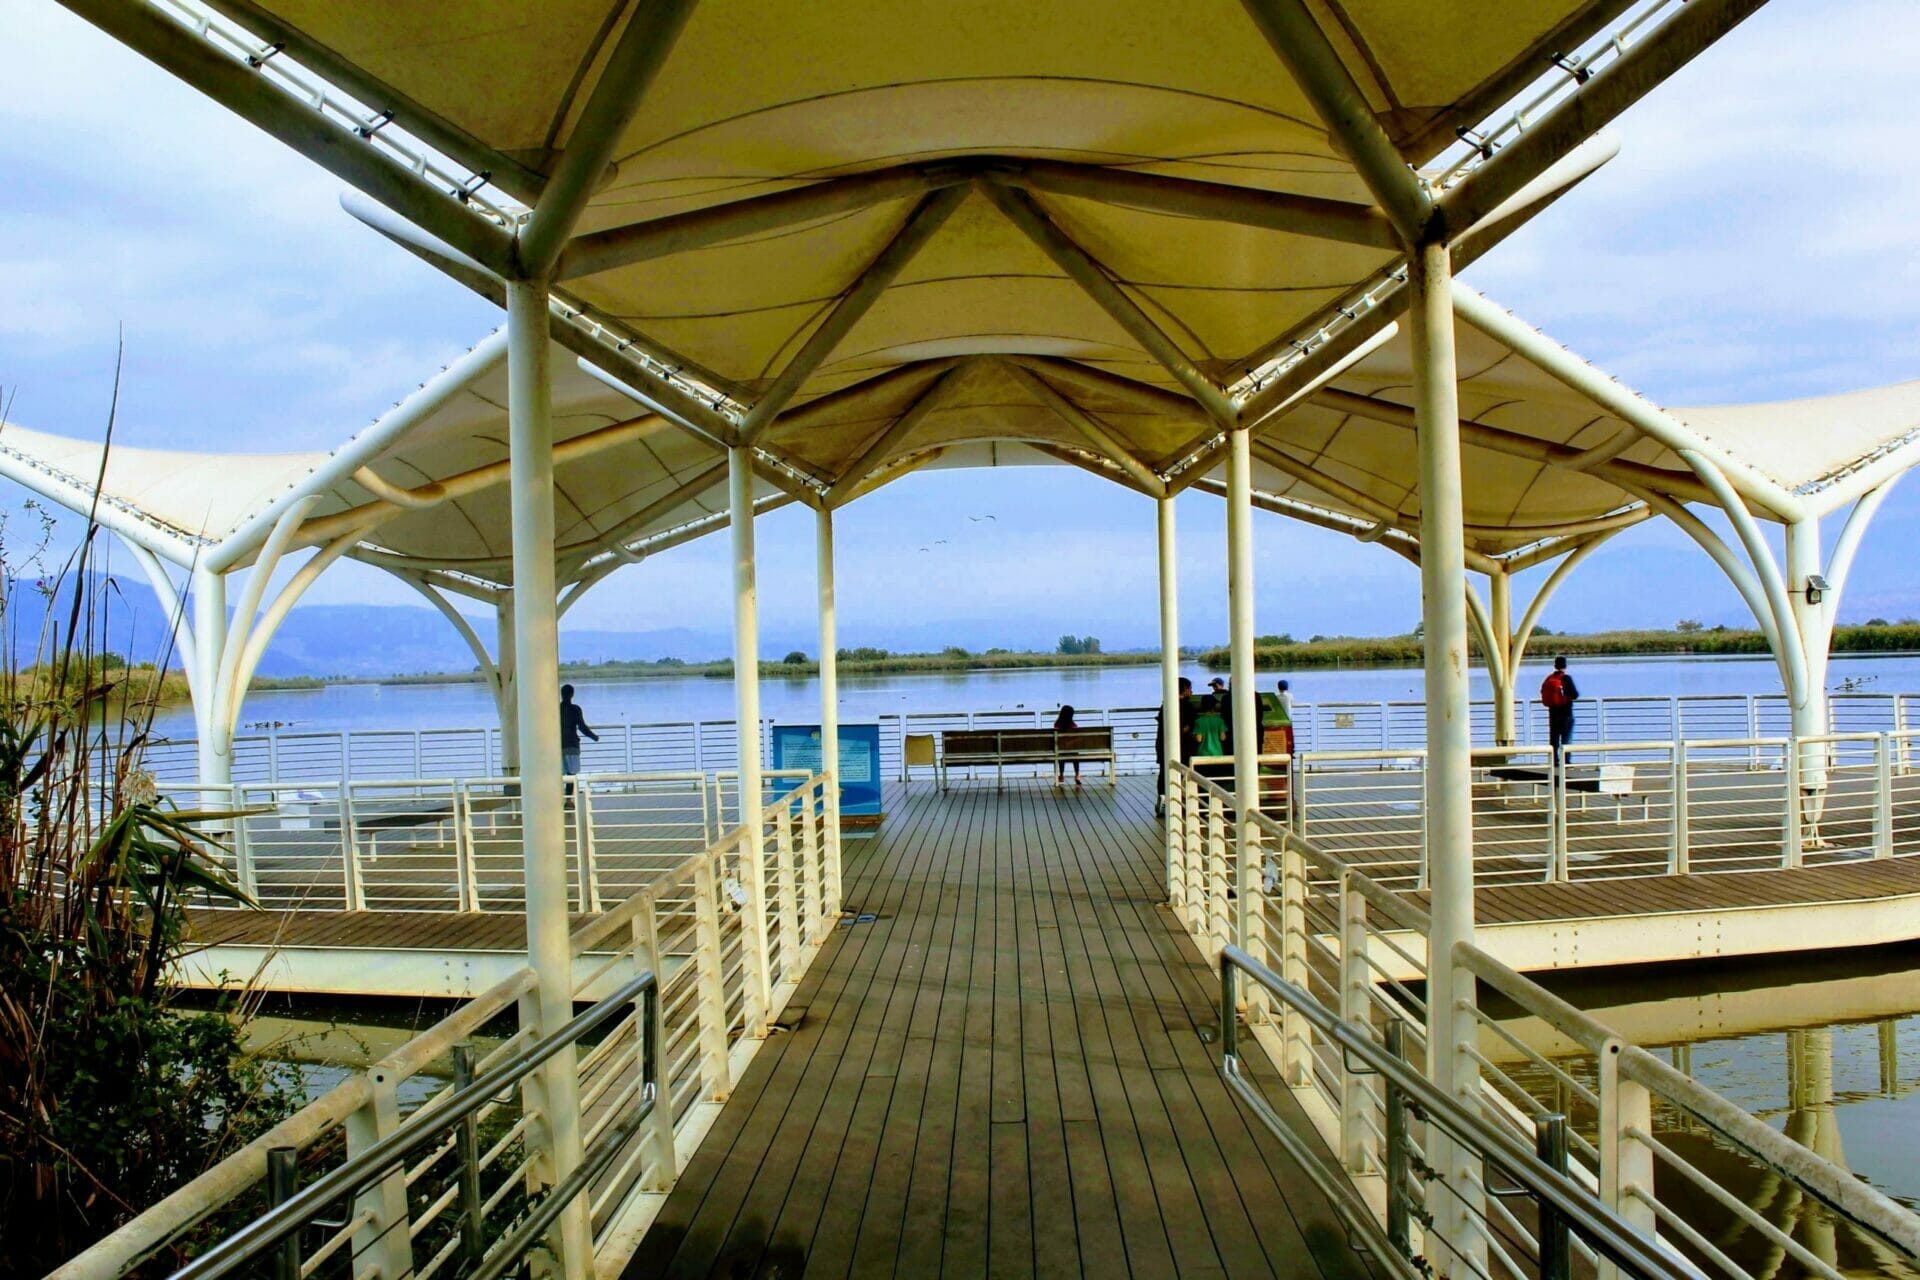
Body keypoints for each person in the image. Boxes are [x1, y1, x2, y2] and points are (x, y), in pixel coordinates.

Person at [1155, 676, 1193, 817]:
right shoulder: (1187, 706)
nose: (1191, 691)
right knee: (1183, 772)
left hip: (1162, 744)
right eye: (1189, 688)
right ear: (1184, 689)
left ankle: (1163, 798)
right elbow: (1188, 726)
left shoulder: (1166, 705)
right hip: (1182, 746)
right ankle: (1181, 801)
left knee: (1164, 772)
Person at [560, 683, 599, 797]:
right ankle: (569, 800)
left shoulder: (555, 709)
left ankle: (558, 798)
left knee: (559, 774)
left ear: (562, 694)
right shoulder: (575, 709)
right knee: (571, 774)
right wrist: (593, 737)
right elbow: (582, 727)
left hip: (558, 746)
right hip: (572, 745)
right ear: (572, 694)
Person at [1541, 656, 1579, 767]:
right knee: (1566, 739)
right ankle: (1566, 762)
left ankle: (1554, 762)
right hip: (1566, 713)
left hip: (1553, 713)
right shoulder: (1566, 678)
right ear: (1565, 666)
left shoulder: (1549, 678)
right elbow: (1575, 695)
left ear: (1555, 666)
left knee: (1554, 739)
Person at [1053, 704, 1083, 787]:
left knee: (1061, 754)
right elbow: (1077, 739)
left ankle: (1061, 775)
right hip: (1072, 751)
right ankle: (1077, 775)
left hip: (1062, 750)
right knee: (1075, 754)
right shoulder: (1073, 725)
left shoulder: (1057, 725)